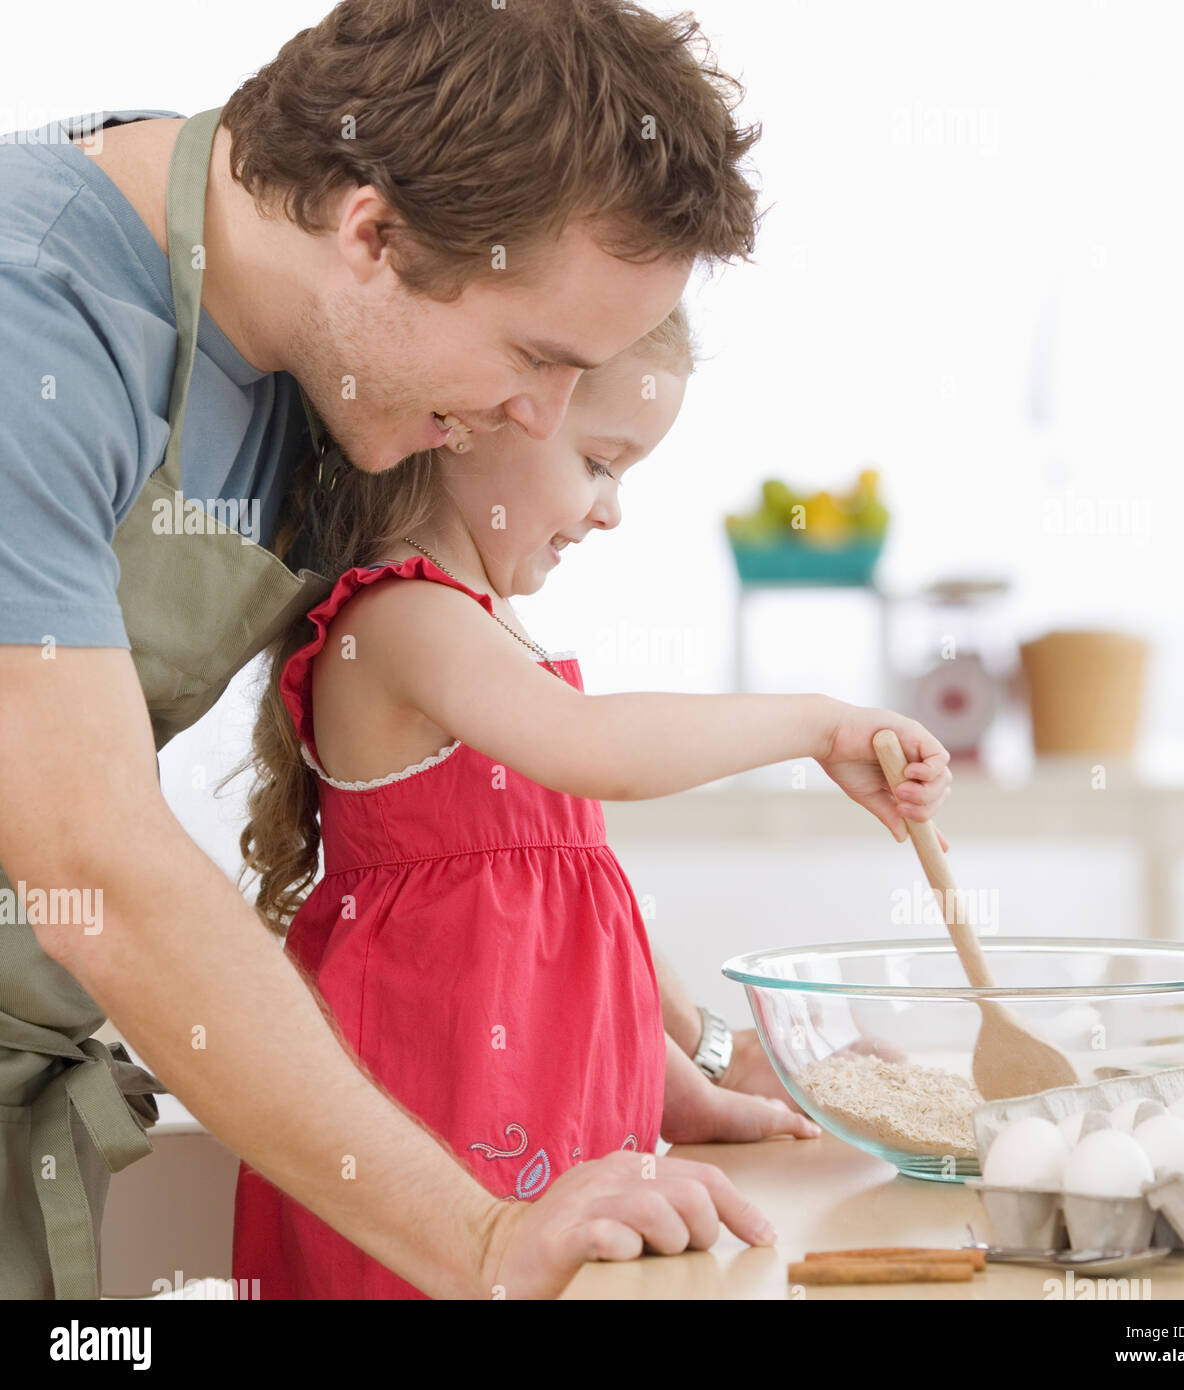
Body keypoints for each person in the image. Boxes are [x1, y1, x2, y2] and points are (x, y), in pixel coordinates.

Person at [0, 0, 794, 1302]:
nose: (530, 420)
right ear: (371, 232)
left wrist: (694, 1050)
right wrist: (482, 1237)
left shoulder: (326, 371)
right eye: (537, 358)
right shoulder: (31, 318)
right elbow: (97, 854)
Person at [227, 303, 953, 1297]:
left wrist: (691, 1078)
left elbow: (565, 920)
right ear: (481, 415)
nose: (610, 509)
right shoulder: (402, 619)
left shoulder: (489, 639)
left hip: (531, 1153)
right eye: (602, 462)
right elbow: (597, 751)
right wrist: (815, 722)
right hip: (437, 1158)